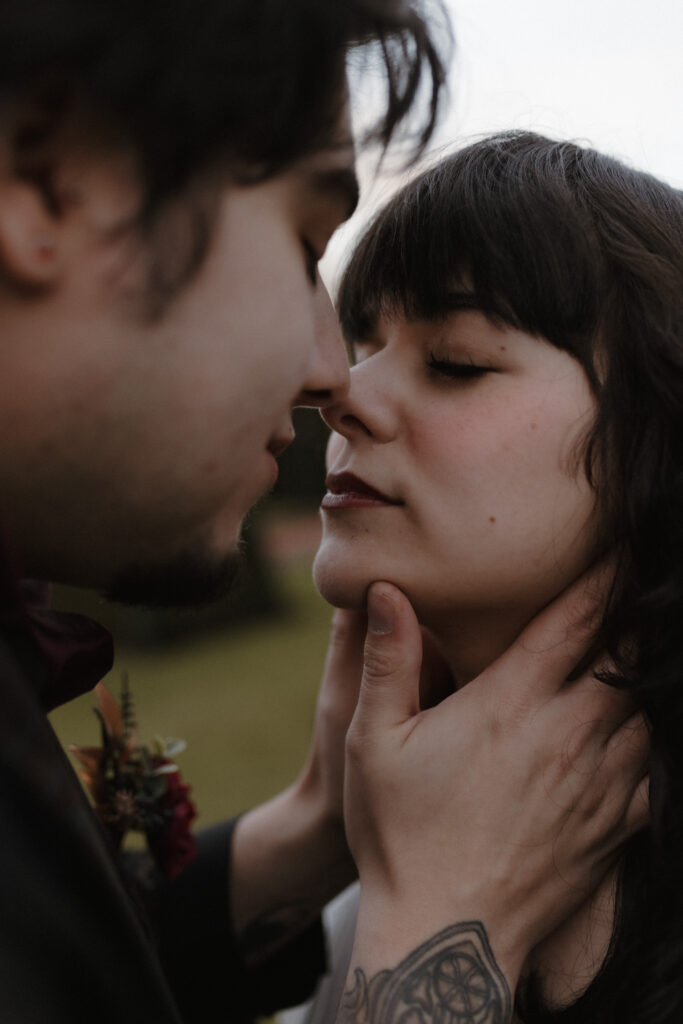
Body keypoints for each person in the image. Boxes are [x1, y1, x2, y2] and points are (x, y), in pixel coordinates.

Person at [0, 1, 650, 1019]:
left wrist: (316, 828)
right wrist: (437, 922)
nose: (337, 383)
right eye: (304, 245)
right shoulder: (406, 897)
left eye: (454, 362)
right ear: (42, 186)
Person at [287, 131, 682, 1023]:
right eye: (363, 342)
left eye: (453, 361)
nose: (343, 392)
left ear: (659, 435)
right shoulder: (374, 896)